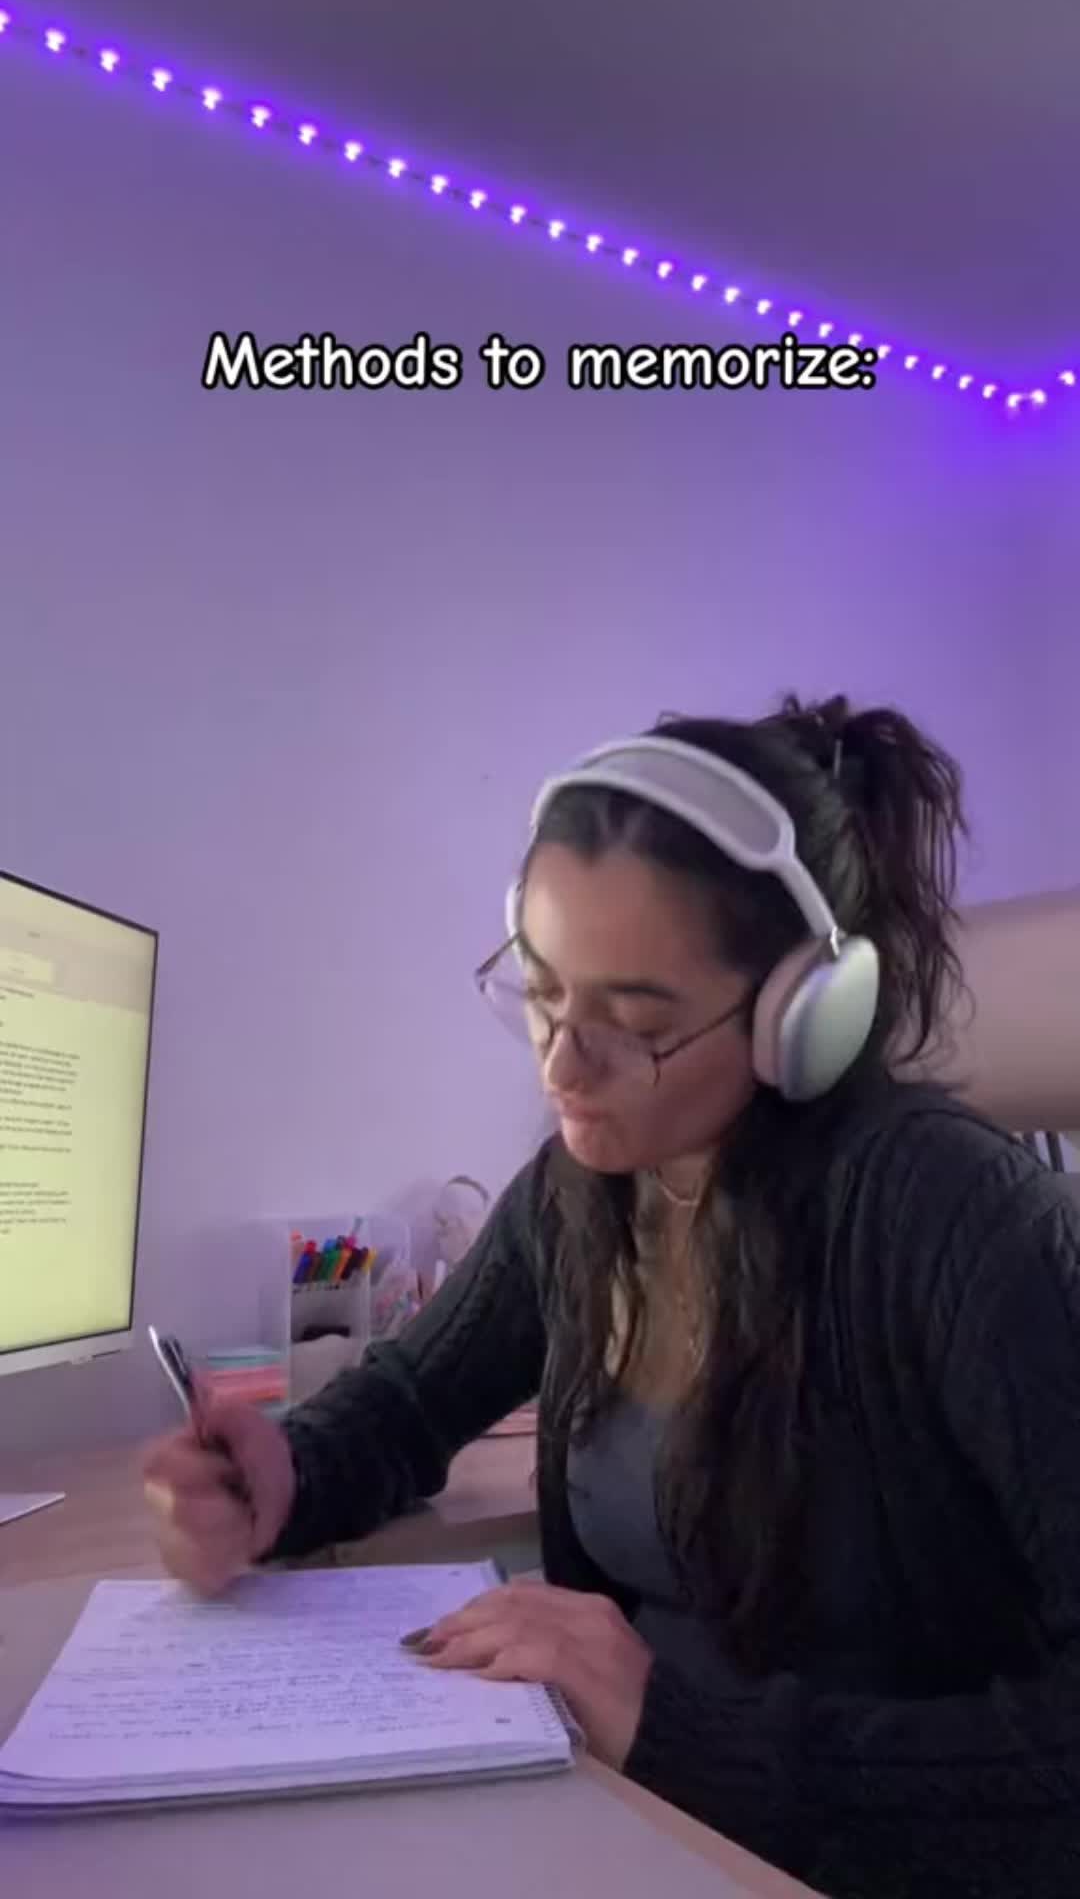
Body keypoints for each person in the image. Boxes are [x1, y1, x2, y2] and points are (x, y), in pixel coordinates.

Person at [143, 695, 1080, 1898]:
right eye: (540, 991)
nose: (559, 1064)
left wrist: (680, 1728)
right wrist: (282, 1476)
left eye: (634, 1023)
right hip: (623, 1818)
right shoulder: (579, 1196)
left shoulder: (957, 1223)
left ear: (805, 1013)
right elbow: (407, 1404)